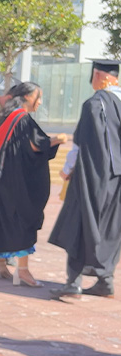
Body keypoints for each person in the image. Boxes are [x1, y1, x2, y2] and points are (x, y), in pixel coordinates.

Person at [0, 82, 68, 287]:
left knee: (3, 219)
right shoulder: (23, 118)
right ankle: (23, 271)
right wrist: (58, 139)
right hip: (17, 182)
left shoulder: (5, 117)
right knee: (23, 219)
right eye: (38, 97)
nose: (40, 102)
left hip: (0, 179)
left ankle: (0, 266)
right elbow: (37, 145)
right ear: (26, 97)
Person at [49, 59, 121, 299]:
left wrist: (67, 169)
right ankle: (105, 280)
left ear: (99, 75)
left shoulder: (94, 104)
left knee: (80, 223)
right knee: (111, 227)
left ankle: (73, 283)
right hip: (118, 179)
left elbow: (80, 144)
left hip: (92, 176)